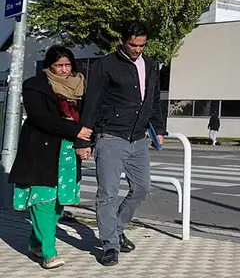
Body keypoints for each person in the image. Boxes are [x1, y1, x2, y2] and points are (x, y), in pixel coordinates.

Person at [81, 21, 166, 267]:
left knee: (141, 189)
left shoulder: (150, 65)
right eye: (133, 44)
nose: (137, 49)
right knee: (107, 193)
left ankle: (116, 229)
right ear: (122, 40)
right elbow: (92, 102)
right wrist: (83, 138)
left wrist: (158, 129)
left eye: (142, 44)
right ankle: (109, 245)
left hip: (138, 138)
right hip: (111, 136)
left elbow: (154, 99)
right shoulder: (105, 65)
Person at [9, 46, 93, 269]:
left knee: (58, 203)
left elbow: (88, 117)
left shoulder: (82, 86)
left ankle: (35, 244)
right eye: (59, 65)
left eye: (67, 65)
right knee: (43, 199)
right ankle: (49, 252)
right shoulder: (34, 85)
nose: (64, 70)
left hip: (68, 151)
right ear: (49, 66)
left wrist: (85, 142)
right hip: (41, 150)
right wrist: (75, 130)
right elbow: (40, 117)